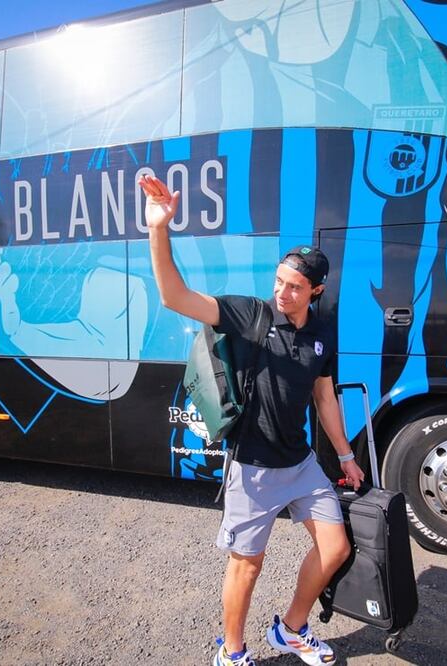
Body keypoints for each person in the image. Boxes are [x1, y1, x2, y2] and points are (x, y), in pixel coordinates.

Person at [139, 174, 366, 666]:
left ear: (316, 290)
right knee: (247, 566)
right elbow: (175, 297)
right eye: (280, 281)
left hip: (301, 463)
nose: (283, 292)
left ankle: (291, 629)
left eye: (295, 287)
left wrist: (345, 457)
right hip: (254, 466)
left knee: (335, 549)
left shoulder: (323, 334)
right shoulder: (251, 315)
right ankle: (233, 651)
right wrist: (159, 229)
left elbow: (324, 398)